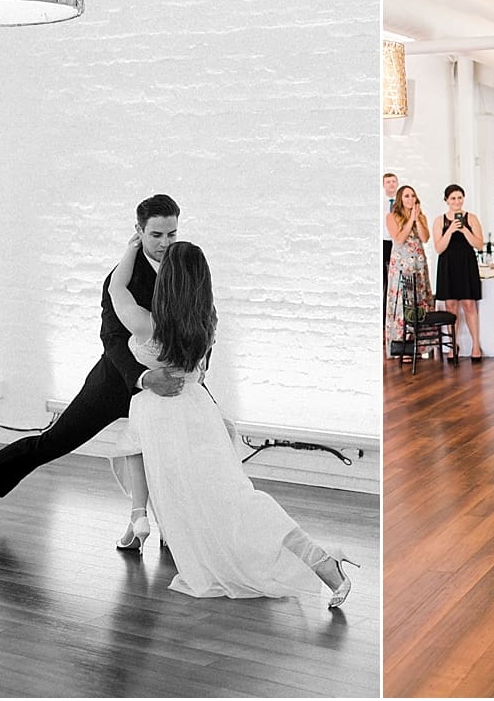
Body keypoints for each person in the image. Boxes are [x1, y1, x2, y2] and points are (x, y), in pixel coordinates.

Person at [105, 238, 357, 604]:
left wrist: (134, 245)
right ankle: (319, 559)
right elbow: (201, 374)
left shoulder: (146, 325)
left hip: (160, 415)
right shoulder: (207, 320)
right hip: (197, 411)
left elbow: (116, 287)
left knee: (205, 499)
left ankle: (139, 515)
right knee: (230, 500)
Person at [0, 195, 189, 524]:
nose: (165, 243)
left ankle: (176, 529)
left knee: (187, 448)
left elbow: (201, 320)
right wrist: (143, 379)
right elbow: (113, 340)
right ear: (139, 231)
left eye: (171, 234)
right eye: (156, 235)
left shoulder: (187, 267)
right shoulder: (121, 277)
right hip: (116, 380)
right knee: (51, 443)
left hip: (169, 384)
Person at [433, 184, 485, 360]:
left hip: (466, 263)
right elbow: (439, 248)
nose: (457, 201)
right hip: (448, 264)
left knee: (469, 304)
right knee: (451, 306)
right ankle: (452, 345)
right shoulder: (440, 221)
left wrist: (464, 230)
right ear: (446, 200)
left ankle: (475, 346)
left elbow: (479, 244)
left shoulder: (472, 218)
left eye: (459, 197)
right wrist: (451, 230)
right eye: (453, 198)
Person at [385, 185, 433, 359]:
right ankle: (402, 346)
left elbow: (425, 238)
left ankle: (417, 346)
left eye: (413, 195)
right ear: (400, 199)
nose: (410, 199)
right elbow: (399, 239)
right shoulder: (392, 217)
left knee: (419, 302)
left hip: (419, 266)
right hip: (401, 267)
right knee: (402, 304)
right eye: (406, 196)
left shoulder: (421, 217)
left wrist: (417, 219)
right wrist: (410, 220)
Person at [382, 172, 399, 301]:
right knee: (384, 276)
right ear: (383, 185)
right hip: (384, 241)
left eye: (393, 181)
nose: (391, 184)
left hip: (398, 241)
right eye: (388, 182)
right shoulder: (380, 203)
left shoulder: (401, 203)